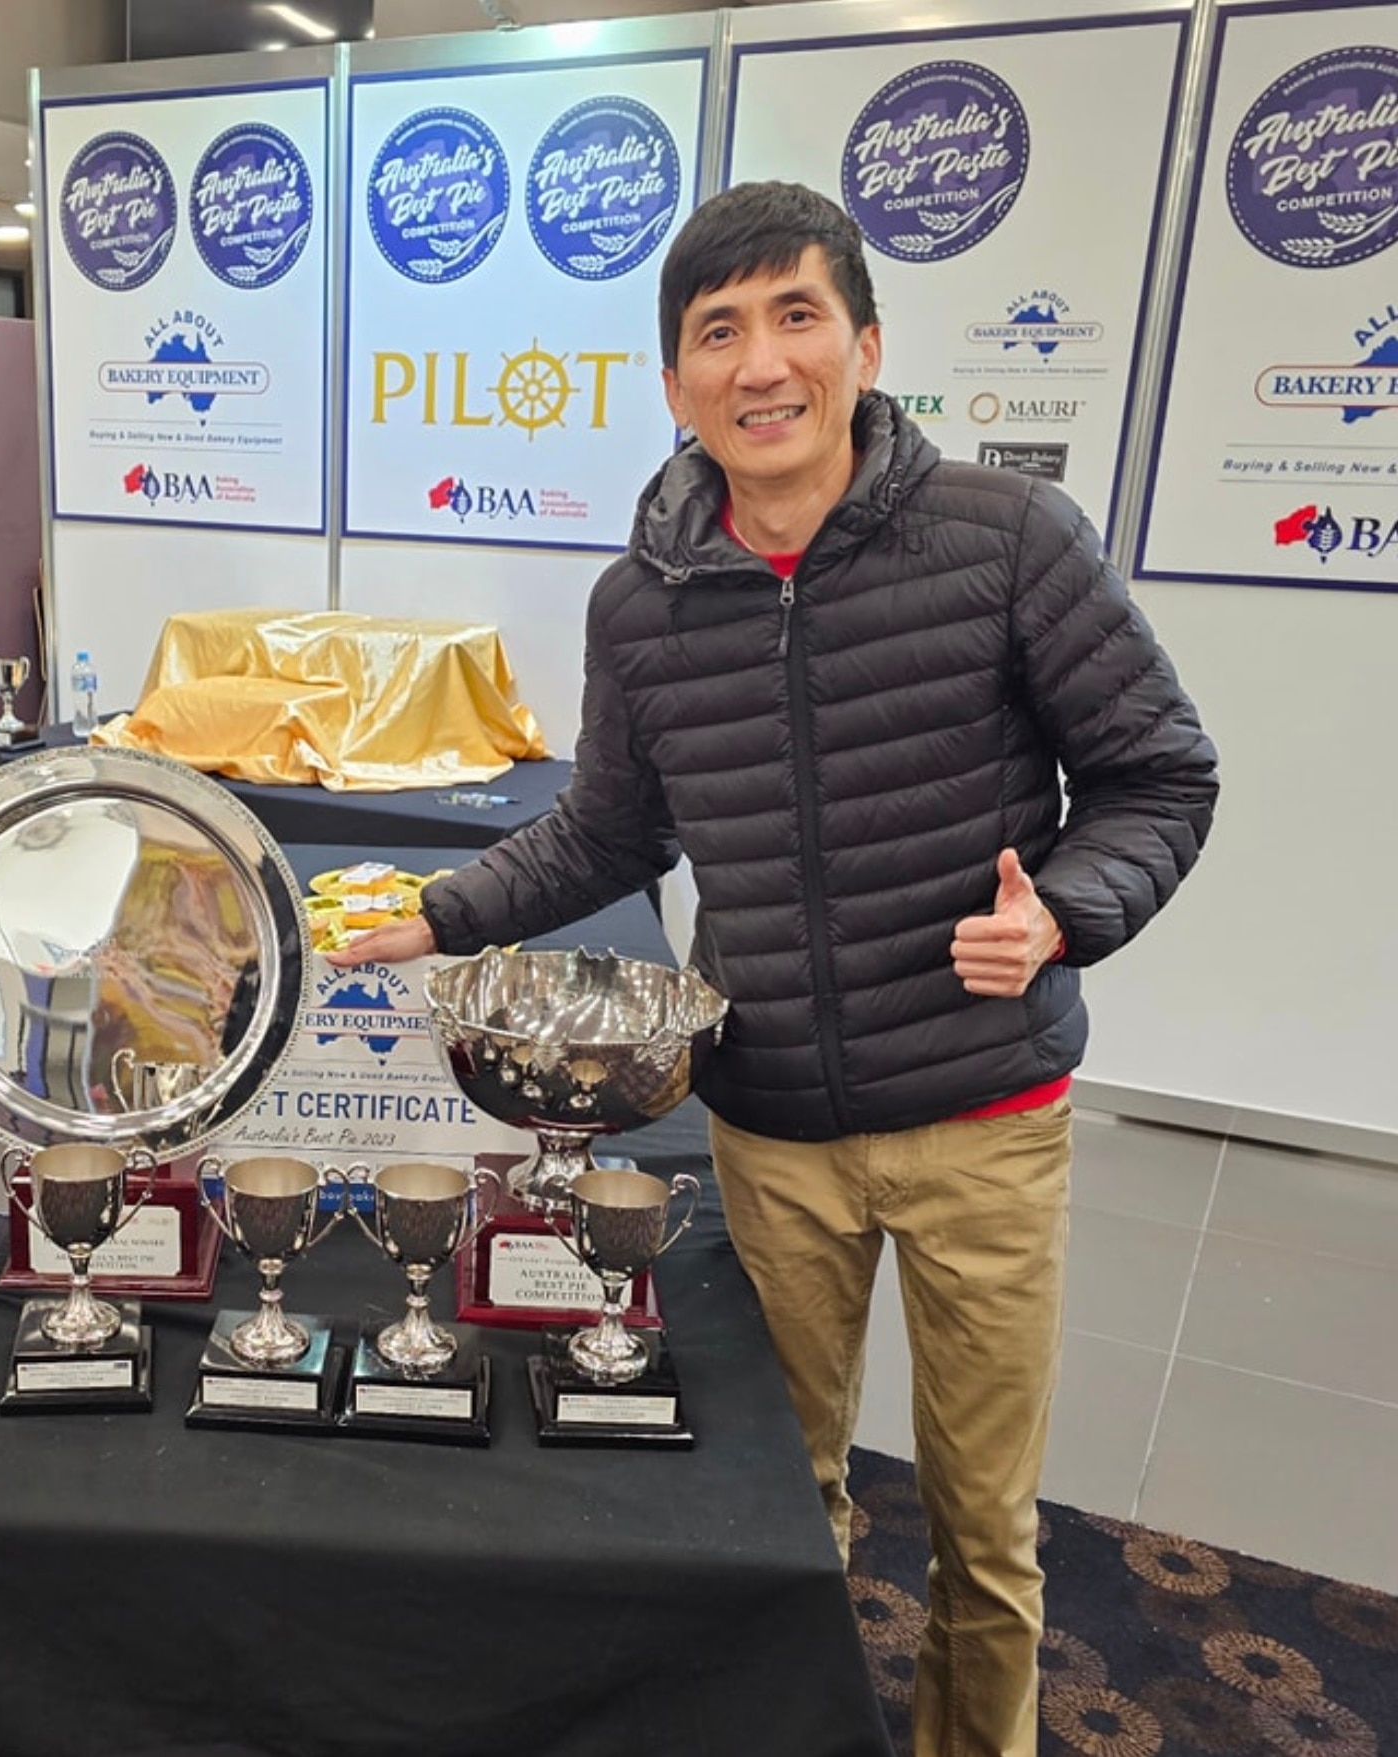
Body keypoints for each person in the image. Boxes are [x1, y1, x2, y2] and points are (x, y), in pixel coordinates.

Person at [334, 182, 1218, 1757]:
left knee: (986, 1535)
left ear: (866, 346)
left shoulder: (1009, 540)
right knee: (773, 1496)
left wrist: (1067, 913)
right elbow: (608, 831)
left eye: (798, 317)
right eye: (717, 332)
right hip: (770, 1133)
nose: (761, 364)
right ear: (674, 385)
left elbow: (1159, 774)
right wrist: (436, 913)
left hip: (982, 1114)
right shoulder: (644, 604)